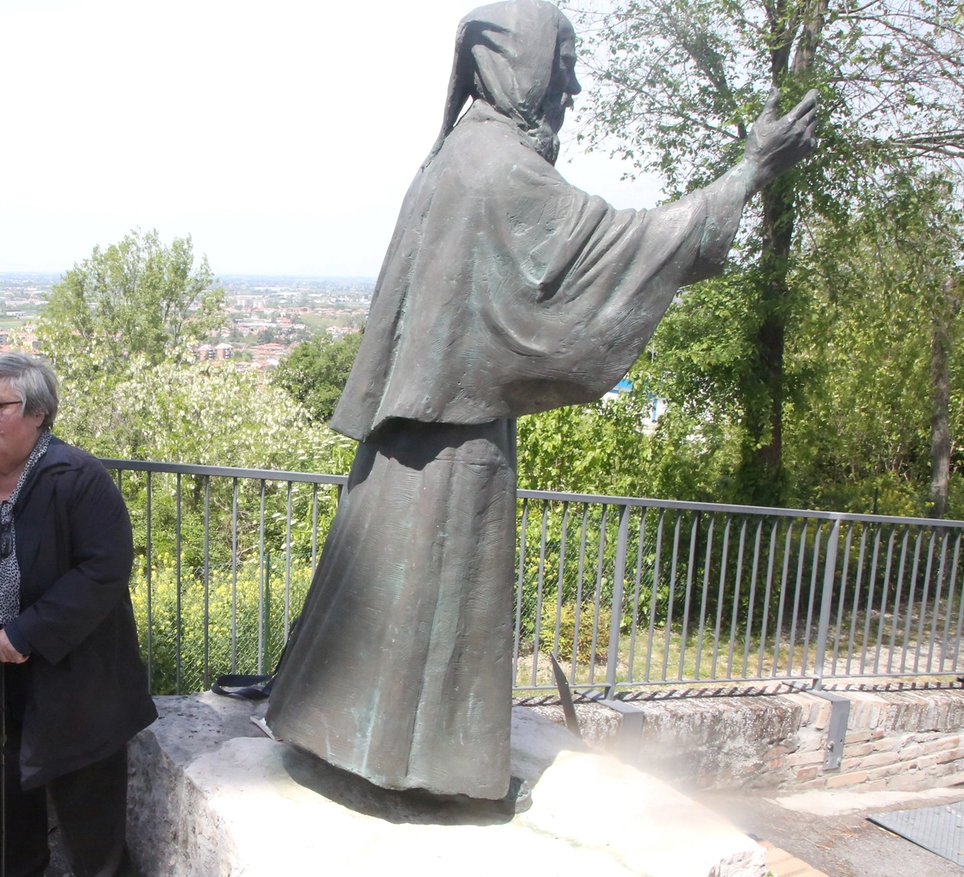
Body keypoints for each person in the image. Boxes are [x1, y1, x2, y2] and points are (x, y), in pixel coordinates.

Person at [265, 0, 818, 801]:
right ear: (525, 65)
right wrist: (750, 173)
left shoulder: (456, 155)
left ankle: (353, 737)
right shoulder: (498, 166)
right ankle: (416, 765)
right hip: (454, 447)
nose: (575, 88)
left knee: (387, 600)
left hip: (411, 444)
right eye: (565, 67)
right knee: (437, 598)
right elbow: (615, 250)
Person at [0, 352, 156, 877]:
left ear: (39, 412)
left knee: (94, 837)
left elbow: (105, 570)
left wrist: (27, 631)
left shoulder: (78, 479)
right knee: (12, 829)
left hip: (78, 684)